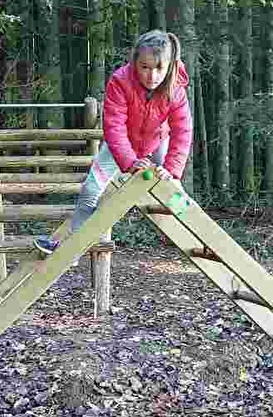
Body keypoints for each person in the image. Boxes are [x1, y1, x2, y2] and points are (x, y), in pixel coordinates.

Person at [35, 30, 192, 255]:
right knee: (90, 190)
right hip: (120, 146)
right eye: (145, 67)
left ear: (169, 66)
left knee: (173, 189)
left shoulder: (174, 89)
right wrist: (129, 161)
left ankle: (191, 230)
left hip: (157, 142)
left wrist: (171, 170)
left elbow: (183, 130)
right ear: (135, 61)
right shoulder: (120, 81)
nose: (151, 75)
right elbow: (114, 127)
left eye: (158, 68)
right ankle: (70, 246)